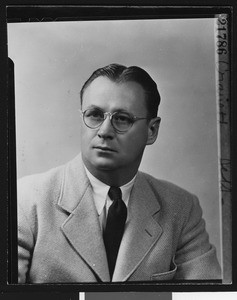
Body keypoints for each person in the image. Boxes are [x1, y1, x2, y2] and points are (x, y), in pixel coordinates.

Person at [18, 63, 221, 283]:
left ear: (151, 131)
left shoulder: (181, 208)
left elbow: (206, 295)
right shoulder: (26, 200)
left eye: (122, 118)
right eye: (95, 115)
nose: (104, 131)